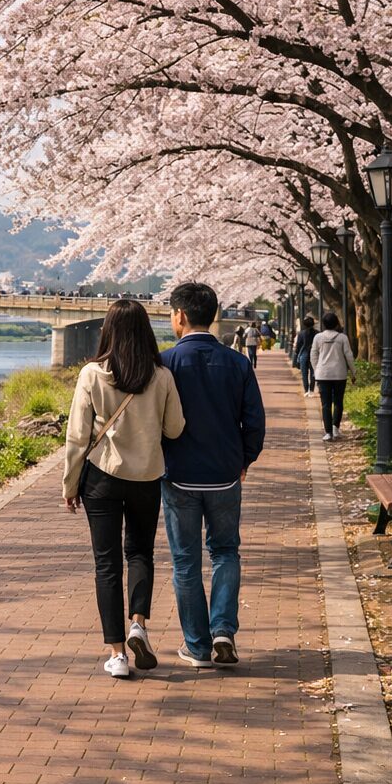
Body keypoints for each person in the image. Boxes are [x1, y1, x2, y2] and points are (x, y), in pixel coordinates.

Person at [63, 299, 186, 679]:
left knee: (106, 563)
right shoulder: (161, 376)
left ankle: (117, 655)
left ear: (109, 331)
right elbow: (175, 429)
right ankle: (139, 625)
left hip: (101, 478)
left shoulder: (92, 374)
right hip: (147, 478)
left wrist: (70, 484)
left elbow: (77, 437)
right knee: (140, 553)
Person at [160, 282, 266, 668]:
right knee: (225, 552)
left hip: (179, 475)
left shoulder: (165, 363)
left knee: (185, 561)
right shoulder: (238, 363)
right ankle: (223, 630)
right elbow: (254, 422)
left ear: (181, 316)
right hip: (224, 475)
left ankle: (197, 646)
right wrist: (244, 460)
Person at [310, 312, 356, 441]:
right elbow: (349, 356)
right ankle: (336, 428)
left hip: (322, 375)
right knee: (338, 402)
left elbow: (313, 355)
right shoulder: (342, 338)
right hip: (339, 374)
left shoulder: (318, 338)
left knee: (325, 404)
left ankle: (328, 432)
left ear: (324, 324)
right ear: (336, 324)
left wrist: (316, 370)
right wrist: (353, 372)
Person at [293, 316, 319, 397]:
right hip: (314, 355)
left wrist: (296, 353)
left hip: (303, 355)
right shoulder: (317, 333)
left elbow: (299, 345)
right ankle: (311, 390)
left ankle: (306, 390)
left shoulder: (301, 333)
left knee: (304, 373)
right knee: (313, 373)